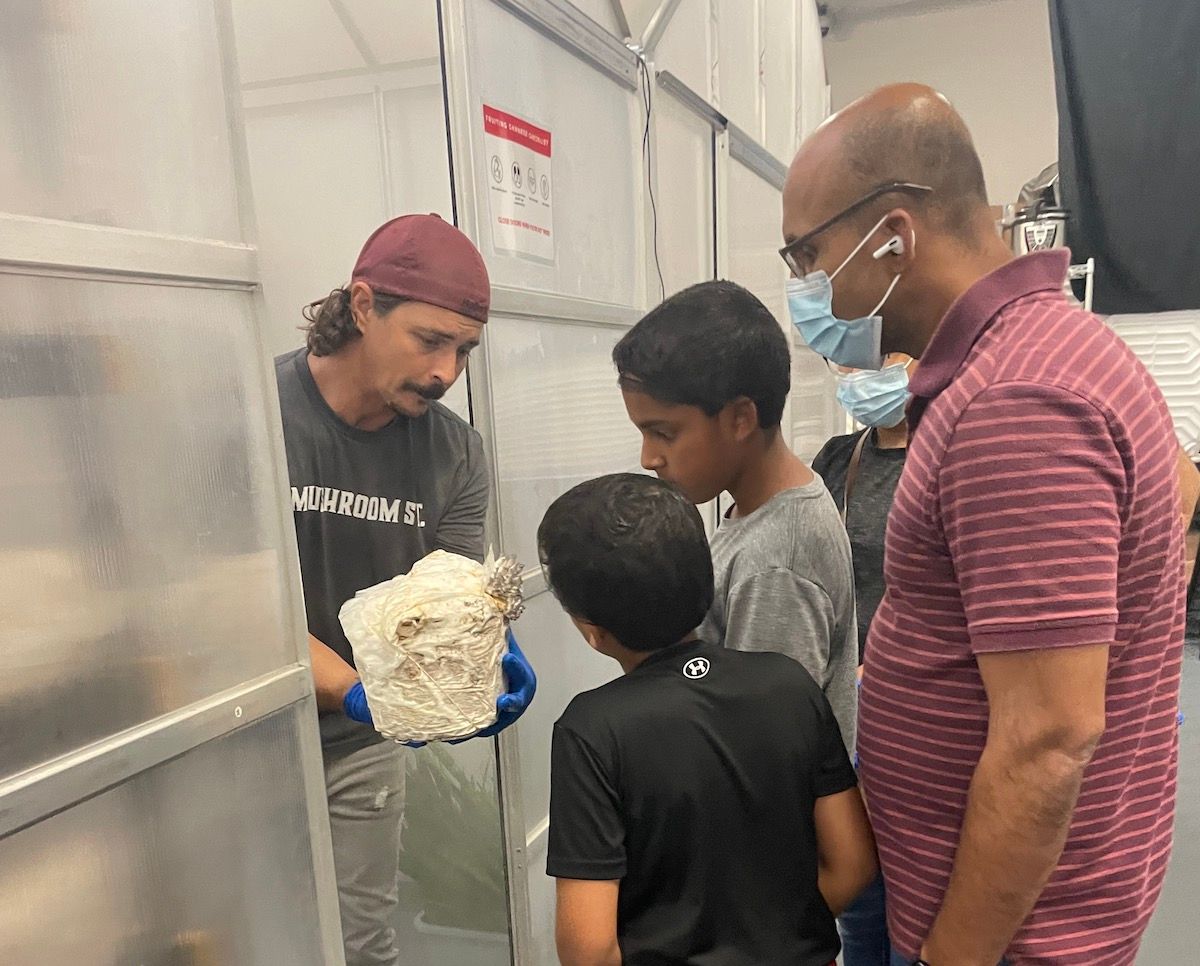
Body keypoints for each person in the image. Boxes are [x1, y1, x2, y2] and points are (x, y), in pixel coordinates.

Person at [781, 83, 1184, 966]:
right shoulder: (1041, 353)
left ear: (893, 235)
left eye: (808, 254)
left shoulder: (1016, 400)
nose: (804, 288)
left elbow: (1048, 741)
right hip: (1002, 901)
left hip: (1008, 933)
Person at [276, 214, 535, 966]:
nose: (447, 371)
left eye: (465, 350)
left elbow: (451, 596)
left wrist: (486, 650)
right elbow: (234, 612)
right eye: (430, 341)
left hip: (358, 748)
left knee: (361, 942)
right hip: (246, 733)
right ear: (363, 306)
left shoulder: (454, 453)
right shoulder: (256, 415)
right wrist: (357, 689)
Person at [540, 473, 877, 966]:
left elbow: (589, 950)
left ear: (591, 631)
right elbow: (852, 864)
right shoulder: (789, 684)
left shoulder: (591, 731)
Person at [612, 280, 858, 752]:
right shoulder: (759, 509)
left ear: (740, 419)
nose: (648, 457)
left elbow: (768, 750)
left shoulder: (775, 564)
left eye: (663, 433)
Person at [811, 352, 916, 966]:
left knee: (916, 902)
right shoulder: (837, 459)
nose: (868, 372)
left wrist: (888, 670)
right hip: (847, 711)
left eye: (887, 357)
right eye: (851, 362)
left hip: (917, 711)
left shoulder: (951, 456)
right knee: (859, 898)